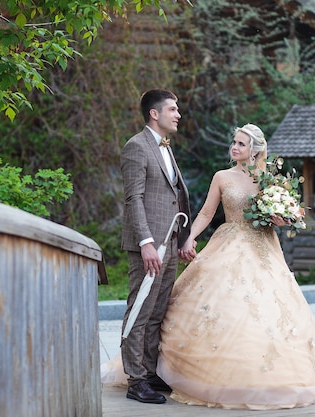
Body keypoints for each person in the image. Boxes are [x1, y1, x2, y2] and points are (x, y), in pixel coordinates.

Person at [154, 123, 315, 410]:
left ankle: (271, 377)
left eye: (241, 144)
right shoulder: (222, 176)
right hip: (229, 242)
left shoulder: (268, 179)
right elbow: (206, 212)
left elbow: (283, 214)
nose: (235, 147)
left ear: (254, 150)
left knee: (271, 308)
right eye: (234, 142)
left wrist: (282, 219)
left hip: (264, 247)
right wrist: (188, 238)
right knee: (225, 305)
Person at [118, 89, 192, 404]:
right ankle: (135, 380)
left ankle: (148, 372)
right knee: (140, 309)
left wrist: (184, 235)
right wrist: (146, 243)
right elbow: (134, 198)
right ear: (154, 113)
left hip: (170, 242)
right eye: (173, 109)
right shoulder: (136, 147)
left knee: (158, 311)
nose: (178, 114)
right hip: (149, 247)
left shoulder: (164, 146)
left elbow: (175, 195)